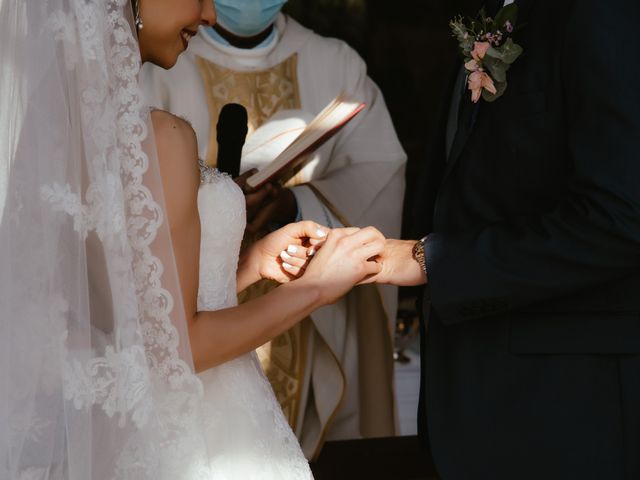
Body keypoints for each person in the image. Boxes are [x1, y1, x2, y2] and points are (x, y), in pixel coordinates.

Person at [0, 0, 385, 478]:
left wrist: (241, 268)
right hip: (201, 442)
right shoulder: (161, 137)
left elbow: (120, 307)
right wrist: (318, 287)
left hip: (113, 438)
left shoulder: (52, 129)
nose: (210, 14)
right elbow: (179, 349)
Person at [372, 0, 640, 479]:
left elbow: (622, 217)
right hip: (485, 396)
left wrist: (429, 260)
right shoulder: (496, 9)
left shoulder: (601, 12)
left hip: (564, 407)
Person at [141, 0, 406, 457]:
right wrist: (317, 287)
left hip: (270, 324)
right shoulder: (156, 76)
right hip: (188, 383)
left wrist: (287, 211)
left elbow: (379, 170)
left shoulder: (334, 62)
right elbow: (171, 339)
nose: (209, 13)